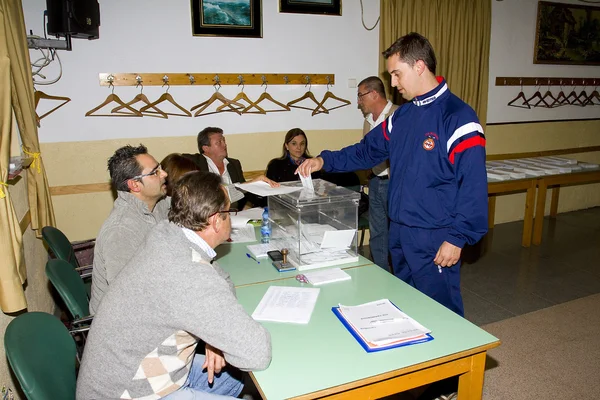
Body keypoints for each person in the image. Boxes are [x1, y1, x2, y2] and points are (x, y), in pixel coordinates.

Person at [296, 32, 488, 317]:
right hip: (399, 231)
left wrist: (457, 238)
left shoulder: (458, 117)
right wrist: (324, 160)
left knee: (442, 312)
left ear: (419, 66)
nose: (394, 84)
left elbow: (472, 186)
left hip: (434, 236)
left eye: (397, 74)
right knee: (407, 307)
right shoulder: (401, 117)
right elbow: (366, 151)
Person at [77, 171, 272, 399]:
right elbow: (257, 353)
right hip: (128, 391)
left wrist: (213, 338)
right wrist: (216, 334)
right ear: (215, 220)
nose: (230, 218)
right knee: (244, 366)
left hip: (130, 370)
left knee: (234, 377)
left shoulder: (167, 232)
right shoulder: (187, 274)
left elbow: (221, 278)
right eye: (229, 212)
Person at [89, 144, 169, 314]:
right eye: (155, 172)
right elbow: (128, 297)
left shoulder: (157, 204)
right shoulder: (121, 231)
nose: (164, 174)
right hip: (123, 322)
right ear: (135, 185)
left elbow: (191, 202)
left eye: (160, 168)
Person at [357, 76, 399, 271]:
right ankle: (382, 274)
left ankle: (401, 279)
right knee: (377, 233)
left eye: (360, 96)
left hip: (394, 185)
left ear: (374, 94)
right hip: (375, 182)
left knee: (397, 233)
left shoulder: (398, 115)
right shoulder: (367, 121)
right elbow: (365, 152)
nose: (359, 101)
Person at [183, 127, 278, 209]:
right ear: (206, 148)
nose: (224, 145)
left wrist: (247, 206)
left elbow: (244, 192)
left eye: (224, 141)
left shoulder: (234, 164)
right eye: (219, 142)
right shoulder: (195, 162)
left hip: (235, 213)